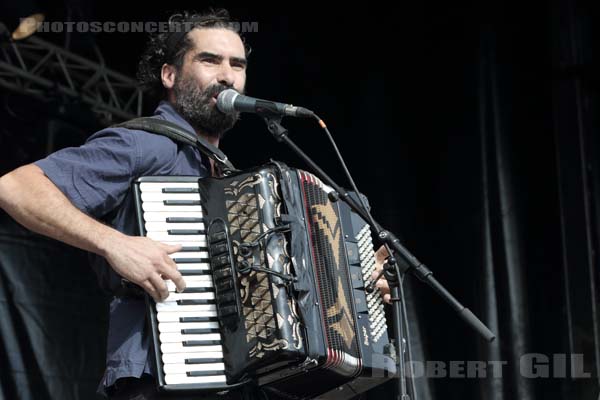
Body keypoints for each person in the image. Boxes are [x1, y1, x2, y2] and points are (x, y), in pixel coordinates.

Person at [0, 8, 392, 399]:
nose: (227, 74)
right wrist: (115, 243)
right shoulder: (146, 144)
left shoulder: (232, 183)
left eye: (237, 64)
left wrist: (355, 281)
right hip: (158, 381)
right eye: (210, 60)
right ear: (169, 75)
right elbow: (16, 187)